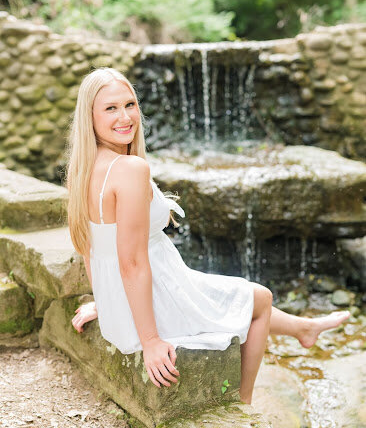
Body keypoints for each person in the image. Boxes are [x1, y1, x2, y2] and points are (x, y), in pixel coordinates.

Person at [66, 67, 350, 404]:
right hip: (151, 300)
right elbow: (131, 263)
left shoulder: (83, 167)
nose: (125, 116)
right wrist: (152, 341)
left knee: (237, 298)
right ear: (90, 116)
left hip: (130, 301)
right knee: (260, 298)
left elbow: (91, 246)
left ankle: (303, 329)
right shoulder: (129, 169)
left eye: (130, 104)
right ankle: (241, 407)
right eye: (111, 108)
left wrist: (105, 300)